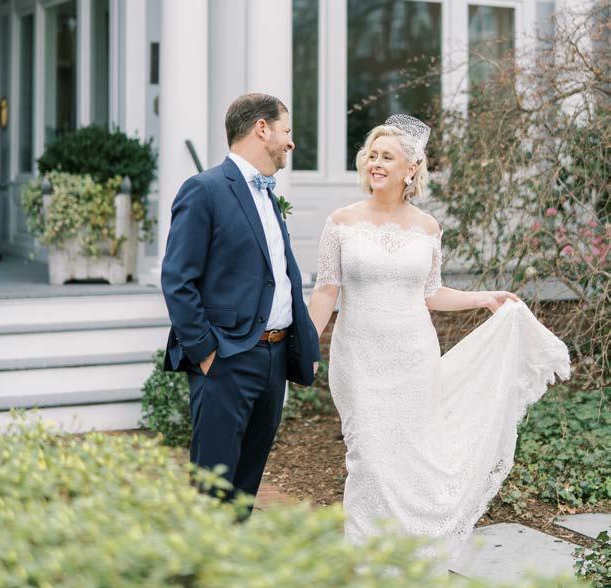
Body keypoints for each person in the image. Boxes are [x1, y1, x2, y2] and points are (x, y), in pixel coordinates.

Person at [307, 115, 570, 560]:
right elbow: (325, 291)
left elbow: (430, 294)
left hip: (414, 358)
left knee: (411, 458)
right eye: (372, 155)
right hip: (359, 360)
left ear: (410, 169)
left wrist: (485, 298)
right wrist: (305, 346)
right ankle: (366, 561)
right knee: (368, 458)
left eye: (387, 157)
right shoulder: (341, 222)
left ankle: (413, 555)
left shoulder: (428, 227)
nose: (375, 163)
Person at [161, 93, 320, 509]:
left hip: (273, 358)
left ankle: (237, 549)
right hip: (227, 358)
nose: (291, 142)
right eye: (286, 130)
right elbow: (177, 279)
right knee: (213, 485)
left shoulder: (268, 196)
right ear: (261, 128)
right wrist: (205, 352)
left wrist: (304, 344)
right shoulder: (205, 189)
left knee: (246, 484)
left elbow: (283, 277)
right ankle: (205, 552)